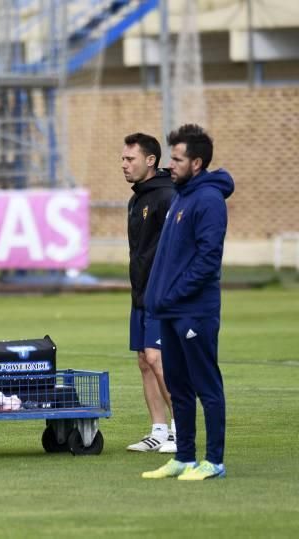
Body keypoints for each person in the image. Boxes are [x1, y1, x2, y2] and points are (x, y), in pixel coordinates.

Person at [142, 124, 234, 480]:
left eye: (178, 159)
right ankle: (184, 457)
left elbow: (208, 260)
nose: (171, 165)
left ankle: (214, 461)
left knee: (205, 385)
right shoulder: (181, 194)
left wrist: (173, 293)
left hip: (194, 311)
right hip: (170, 311)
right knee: (178, 387)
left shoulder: (208, 199)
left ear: (196, 163)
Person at [121, 133, 177, 454]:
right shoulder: (137, 198)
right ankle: (158, 430)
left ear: (150, 160)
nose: (125, 165)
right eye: (123, 160)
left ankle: (181, 427)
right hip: (140, 293)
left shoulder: (167, 196)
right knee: (144, 361)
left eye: (130, 159)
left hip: (162, 294)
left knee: (158, 359)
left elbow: (176, 248)